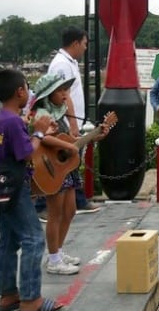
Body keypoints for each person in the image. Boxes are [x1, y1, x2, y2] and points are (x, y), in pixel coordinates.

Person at [0, 68, 64, 311]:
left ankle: (8, 293)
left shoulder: (0, 119)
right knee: (33, 238)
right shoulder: (12, 122)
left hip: (1, 186)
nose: (29, 92)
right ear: (20, 92)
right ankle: (31, 299)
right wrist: (40, 133)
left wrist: (35, 132)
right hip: (16, 186)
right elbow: (27, 153)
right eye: (27, 88)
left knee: (8, 240)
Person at [30, 72, 110, 275]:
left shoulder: (61, 114)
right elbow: (43, 138)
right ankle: (54, 260)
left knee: (70, 211)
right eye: (60, 91)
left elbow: (71, 141)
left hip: (65, 169)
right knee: (55, 214)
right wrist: (69, 146)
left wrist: (93, 137)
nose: (65, 95)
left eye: (65, 90)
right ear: (48, 94)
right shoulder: (42, 114)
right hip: (51, 170)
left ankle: (57, 251)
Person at [47, 26, 100, 213]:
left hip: (70, 119)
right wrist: (73, 124)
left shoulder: (71, 63)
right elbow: (64, 94)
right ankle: (51, 202)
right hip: (64, 121)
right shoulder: (62, 64)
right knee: (66, 160)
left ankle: (78, 200)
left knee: (72, 160)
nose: (86, 48)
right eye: (84, 44)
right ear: (75, 43)